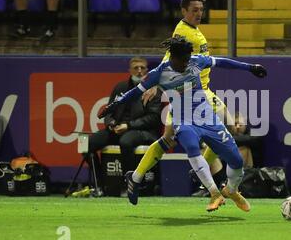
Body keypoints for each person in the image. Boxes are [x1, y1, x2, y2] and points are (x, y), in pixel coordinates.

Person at [98, 37, 267, 212]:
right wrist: (114, 105)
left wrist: (250, 68)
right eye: (183, 60)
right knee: (192, 147)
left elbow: (222, 62)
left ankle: (231, 190)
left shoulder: (196, 61)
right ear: (173, 57)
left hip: (207, 118)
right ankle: (214, 193)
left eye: (188, 59)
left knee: (236, 161)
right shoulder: (159, 73)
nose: (187, 64)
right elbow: (134, 92)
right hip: (183, 120)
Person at [135, 0, 235, 185]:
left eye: (201, 10)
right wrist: (155, 83)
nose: (199, 14)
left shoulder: (191, 29)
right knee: (224, 128)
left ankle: (136, 176)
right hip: (193, 93)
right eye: (194, 10)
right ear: (184, 11)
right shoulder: (184, 32)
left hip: (199, 92)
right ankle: (200, 170)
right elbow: (168, 58)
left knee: (168, 139)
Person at [88, 57, 162, 189]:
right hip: (118, 129)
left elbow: (153, 118)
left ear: (147, 70)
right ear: (130, 70)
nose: (139, 71)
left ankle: (130, 183)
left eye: (142, 68)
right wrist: (110, 123)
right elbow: (109, 111)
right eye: (136, 68)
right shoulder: (120, 87)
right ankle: (99, 183)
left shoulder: (152, 90)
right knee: (88, 143)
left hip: (144, 131)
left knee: (126, 141)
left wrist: (128, 125)